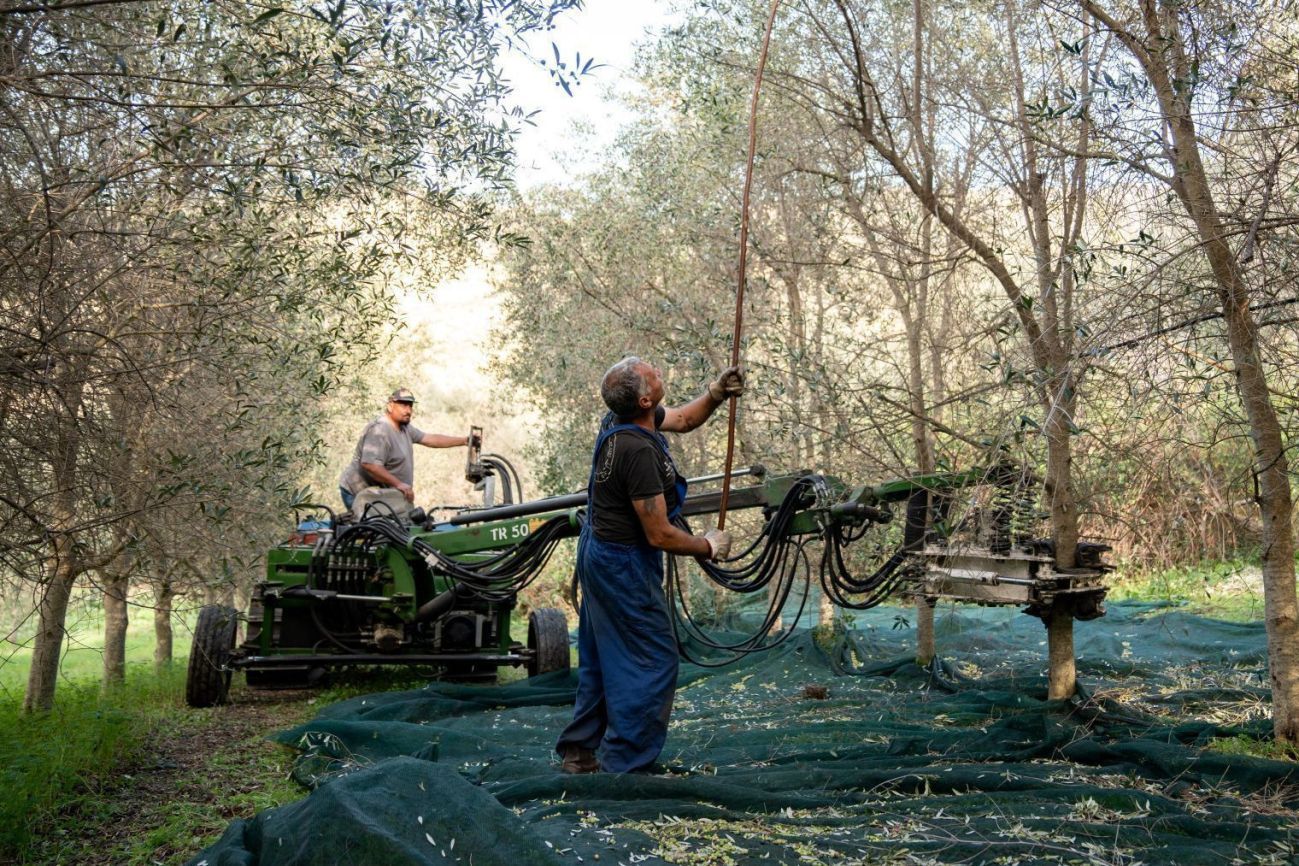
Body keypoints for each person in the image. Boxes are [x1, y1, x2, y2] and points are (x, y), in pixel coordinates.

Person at [555, 357, 745, 774]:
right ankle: (627, 765)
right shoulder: (637, 451)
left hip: (599, 551)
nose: (659, 370)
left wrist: (715, 393)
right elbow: (658, 534)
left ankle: (579, 751)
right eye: (652, 373)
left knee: (602, 654)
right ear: (644, 398)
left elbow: (683, 419)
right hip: (622, 562)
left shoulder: (623, 420)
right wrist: (708, 546)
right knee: (654, 658)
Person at [338, 388, 475, 511]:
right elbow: (370, 465)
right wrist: (399, 484)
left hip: (381, 494)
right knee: (376, 532)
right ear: (390, 406)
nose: (408, 411)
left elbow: (430, 439)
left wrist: (464, 441)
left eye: (410, 406)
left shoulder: (405, 428)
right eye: (403, 405)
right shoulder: (379, 430)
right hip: (358, 493)